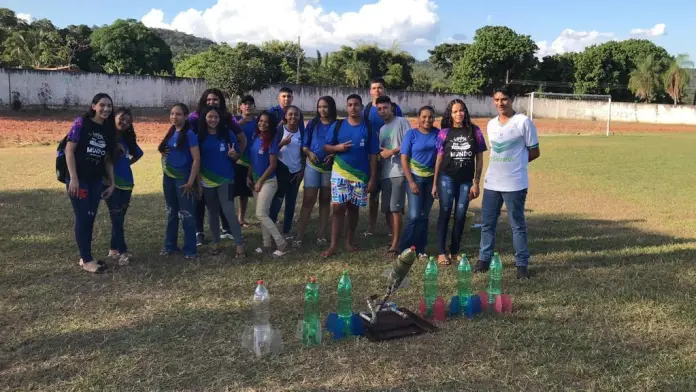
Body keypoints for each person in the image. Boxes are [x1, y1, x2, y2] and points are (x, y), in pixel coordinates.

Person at [477, 86, 540, 279]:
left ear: (511, 99)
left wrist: (517, 163)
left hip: (514, 184)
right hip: (492, 183)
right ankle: (483, 259)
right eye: (496, 100)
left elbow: (535, 151)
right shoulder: (491, 124)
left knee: (517, 225)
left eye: (504, 99)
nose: (500, 103)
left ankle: (521, 264)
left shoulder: (523, 122)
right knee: (487, 224)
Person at [63, 93, 118, 274]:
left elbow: (108, 159)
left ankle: (85, 256)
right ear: (93, 106)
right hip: (79, 180)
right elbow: (69, 150)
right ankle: (86, 260)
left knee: (90, 217)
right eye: (102, 105)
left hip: (95, 181)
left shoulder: (109, 129)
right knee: (83, 217)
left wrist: (112, 183)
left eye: (109, 106)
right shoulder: (81, 123)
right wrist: (74, 178)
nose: (106, 109)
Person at [322, 94, 378, 258]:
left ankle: (348, 241)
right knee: (339, 207)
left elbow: (374, 154)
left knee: (353, 208)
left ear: (361, 107)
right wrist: (337, 148)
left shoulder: (368, 128)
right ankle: (333, 245)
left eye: (356, 104)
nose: (353, 107)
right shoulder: (338, 125)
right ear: (346, 107)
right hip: (340, 171)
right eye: (350, 105)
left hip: (360, 175)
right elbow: (326, 147)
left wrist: (373, 177)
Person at [432, 99, 486, 266]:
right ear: (450, 113)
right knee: (445, 213)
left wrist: (476, 182)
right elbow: (439, 158)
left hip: (465, 181)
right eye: (455, 111)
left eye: (461, 110)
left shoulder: (474, 131)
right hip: (446, 178)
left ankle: (454, 251)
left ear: (465, 111)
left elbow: (479, 157)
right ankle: (441, 252)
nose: (459, 114)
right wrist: (435, 183)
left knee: (461, 215)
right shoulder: (444, 133)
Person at [190, 88, 247, 246]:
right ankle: (213, 242)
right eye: (210, 116)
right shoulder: (198, 134)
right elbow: (194, 155)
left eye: (216, 117)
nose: (213, 119)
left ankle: (239, 243)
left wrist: (235, 155)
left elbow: (239, 146)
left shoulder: (228, 132)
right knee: (211, 212)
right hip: (206, 180)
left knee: (228, 210)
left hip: (225, 179)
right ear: (204, 117)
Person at [293, 96, 337, 246]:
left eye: (325, 107)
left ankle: (321, 234)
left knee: (325, 201)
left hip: (329, 168)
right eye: (320, 107)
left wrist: (332, 155)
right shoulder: (313, 124)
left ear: (331, 107)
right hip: (312, 166)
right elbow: (305, 146)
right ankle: (299, 235)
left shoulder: (337, 125)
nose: (322, 110)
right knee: (308, 200)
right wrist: (310, 154)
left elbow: (339, 147)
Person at [159, 103, 200, 259]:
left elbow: (196, 159)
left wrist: (191, 181)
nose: (174, 117)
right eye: (172, 114)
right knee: (171, 212)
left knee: (186, 214)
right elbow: (165, 150)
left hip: (183, 179)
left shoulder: (189, 134)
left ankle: (190, 249)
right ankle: (170, 246)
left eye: (178, 114)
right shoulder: (171, 132)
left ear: (185, 116)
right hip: (168, 177)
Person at [364, 77, 403, 237]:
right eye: (374, 88)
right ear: (370, 91)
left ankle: (391, 229)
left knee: (392, 194)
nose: (377, 90)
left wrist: (393, 150)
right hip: (373, 157)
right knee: (373, 193)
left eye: (380, 87)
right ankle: (371, 226)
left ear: (384, 89)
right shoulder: (366, 110)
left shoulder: (394, 108)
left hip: (392, 159)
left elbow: (399, 127)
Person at [247, 111, 290, 257]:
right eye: (260, 121)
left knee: (260, 214)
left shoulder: (271, 140)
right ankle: (266, 245)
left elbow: (272, 165)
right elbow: (252, 160)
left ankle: (281, 243)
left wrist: (260, 181)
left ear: (270, 124)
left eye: (266, 122)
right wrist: (249, 176)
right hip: (255, 180)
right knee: (263, 214)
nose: (262, 124)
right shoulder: (255, 137)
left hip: (268, 181)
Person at [106, 107, 143, 266]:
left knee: (119, 218)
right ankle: (123, 252)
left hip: (127, 183)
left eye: (128, 121)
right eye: (122, 118)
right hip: (110, 184)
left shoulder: (127, 139)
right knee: (117, 217)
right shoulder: (106, 136)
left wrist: (126, 163)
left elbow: (139, 154)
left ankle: (113, 249)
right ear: (114, 118)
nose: (125, 122)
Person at [399, 106, 438, 255]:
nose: (427, 120)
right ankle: (404, 249)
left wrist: (436, 183)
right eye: (424, 117)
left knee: (424, 216)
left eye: (430, 117)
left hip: (430, 180)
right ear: (418, 118)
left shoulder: (438, 134)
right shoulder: (411, 134)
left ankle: (420, 249)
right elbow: (404, 159)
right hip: (414, 178)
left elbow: (441, 158)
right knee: (414, 215)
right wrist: (411, 182)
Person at [375, 96, 410, 255]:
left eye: (385, 108)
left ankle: (396, 243)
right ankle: (394, 235)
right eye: (379, 109)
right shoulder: (382, 129)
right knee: (387, 209)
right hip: (385, 173)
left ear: (391, 107)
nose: (383, 111)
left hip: (399, 171)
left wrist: (393, 151)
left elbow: (409, 144)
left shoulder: (402, 122)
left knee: (395, 208)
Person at [269, 105, 305, 239]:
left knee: (291, 203)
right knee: (276, 202)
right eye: (290, 114)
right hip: (280, 172)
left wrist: (302, 171)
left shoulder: (302, 131)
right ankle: (270, 230)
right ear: (285, 116)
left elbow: (303, 153)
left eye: (296, 114)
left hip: (295, 173)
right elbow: (271, 151)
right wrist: (282, 143)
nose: (293, 117)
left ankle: (286, 231)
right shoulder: (279, 130)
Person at [234, 95, 257, 228]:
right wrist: (239, 124)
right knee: (233, 192)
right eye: (245, 103)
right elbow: (228, 133)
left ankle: (241, 218)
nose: (247, 106)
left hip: (252, 162)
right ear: (240, 106)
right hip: (237, 160)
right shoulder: (235, 120)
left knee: (246, 193)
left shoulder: (257, 122)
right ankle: (230, 220)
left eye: (250, 103)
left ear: (254, 106)